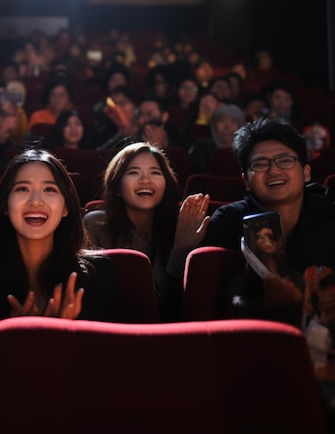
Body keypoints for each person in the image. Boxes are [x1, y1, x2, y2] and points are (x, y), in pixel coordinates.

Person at [0, 148, 119, 410]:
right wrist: (10, 345)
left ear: (66, 207)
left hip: (78, 411)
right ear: (5, 208)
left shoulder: (99, 274)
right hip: (3, 408)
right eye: (22, 189)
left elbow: (109, 370)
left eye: (49, 190)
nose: (35, 201)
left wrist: (63, 341)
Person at [201, 118, 335, 321]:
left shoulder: (330, 216)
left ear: (306, 173)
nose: (274, 170)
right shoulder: (228, 221)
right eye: (260, 164)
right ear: (246, 180)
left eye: (285, 161)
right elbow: (216, 304)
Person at [83, 141, 210, 320]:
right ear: (117, 187)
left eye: (155, 173)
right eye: (134, 172)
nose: (146, 180)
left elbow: (173, 307)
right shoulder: (95, 225)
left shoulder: (182, 226)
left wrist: (180, 250)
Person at [188, 103, 245, 174]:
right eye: (221, 121)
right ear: (213, 125)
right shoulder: (201, 147)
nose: (226, 127)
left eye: (232, 122)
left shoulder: (245, 150)